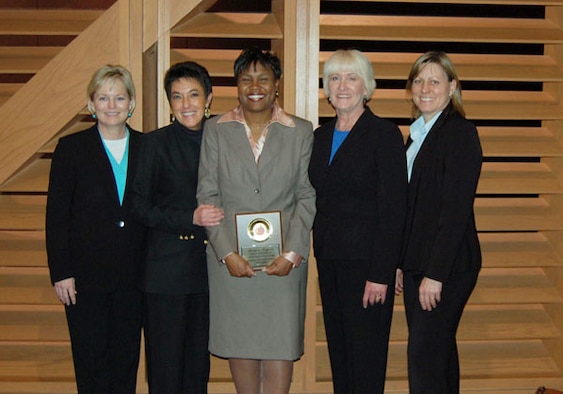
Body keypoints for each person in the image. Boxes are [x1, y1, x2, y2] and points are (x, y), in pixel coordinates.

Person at [197, 47, 316, 394]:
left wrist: (292, 252)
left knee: (280, 344)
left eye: (263, 78)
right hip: (233, 260)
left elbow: (306, 195)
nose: (255, 85)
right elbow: (208, 195)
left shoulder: (301, 130)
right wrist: (226, 253)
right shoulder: (215, 129)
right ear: (236, 85)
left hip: (284, 263)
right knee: (241, 342)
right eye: (246, 78)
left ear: (276, 84)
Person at [308, 49, 408, 393]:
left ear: (367, 86)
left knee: (365, 361)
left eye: (352, 77)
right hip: (331, 261)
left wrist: (382, 272)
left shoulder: (384, 135)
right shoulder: (319, 137)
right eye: (334, 78)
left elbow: (394, 210)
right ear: (326, 89)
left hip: (368, 268)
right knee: (341, 357)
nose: (342, 85)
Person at [45, 65, 144, 393]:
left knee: (126, 361)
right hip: (85, 279)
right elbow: (57, 216)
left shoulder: (148, 148)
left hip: (135, 278)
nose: (111, 105)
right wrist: (62, 272)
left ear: (131, 103)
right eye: (103, 97)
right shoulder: (71, 149)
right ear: (92, 103)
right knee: (90, 363)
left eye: (119, 97)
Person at [128, 61, 223, 394]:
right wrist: (189, 217)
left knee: (198, 367)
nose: (187, 105)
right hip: (165, 272)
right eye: (178, 96)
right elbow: (138, 206)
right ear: (169, 102)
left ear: (208, 97)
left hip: (210, 270)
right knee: (166, 369)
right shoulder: (154, 144)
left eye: (194, 95)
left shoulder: (224, 140)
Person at [395, 51, 482, 394]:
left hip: (448, 267)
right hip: (418, 263)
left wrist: (435, 274)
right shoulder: (417, 135)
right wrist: (400, 262)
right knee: (438, 355)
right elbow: (411, 209)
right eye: (418, 81)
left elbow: (454, 212)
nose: (425, 88)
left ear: (452, 87)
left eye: (434, 80)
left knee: (423, 359)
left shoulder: (460, 133)